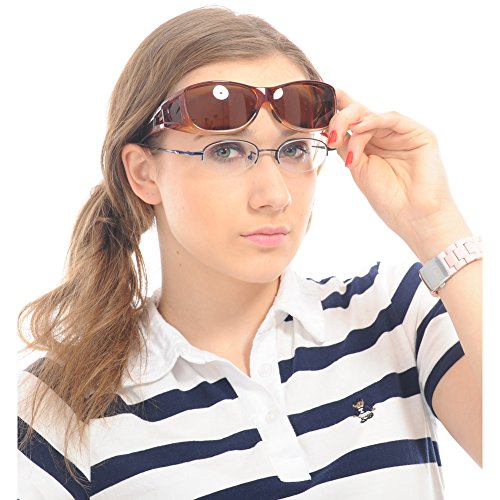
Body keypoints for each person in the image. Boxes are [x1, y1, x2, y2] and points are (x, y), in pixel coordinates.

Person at [17, 6, 482, 499]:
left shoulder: (394, 314)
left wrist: (434, 222)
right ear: (143, 173)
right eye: (225, 151)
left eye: (294, 149)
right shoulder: (56, 411)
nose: (275, 195)